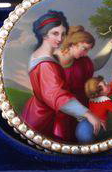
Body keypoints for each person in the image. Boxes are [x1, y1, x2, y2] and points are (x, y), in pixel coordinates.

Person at [21, 11, 102, 141]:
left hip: (47, 111)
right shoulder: (45, 64)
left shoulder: (46, 56)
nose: (60, 39)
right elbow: (56, 95)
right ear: (44, 34)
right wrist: (87, 113)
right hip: (44, 118)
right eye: (55, 33)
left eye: (63, 34)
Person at [52, 25, 112, 141]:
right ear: (73, 44)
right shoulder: (53, 62)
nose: (86, 53)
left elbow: (97, 63)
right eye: (84, 48)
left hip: (84, 108)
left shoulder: (83, 61)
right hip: (62, 109)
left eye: (88, 50)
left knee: (85, 136)